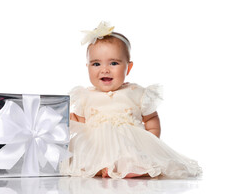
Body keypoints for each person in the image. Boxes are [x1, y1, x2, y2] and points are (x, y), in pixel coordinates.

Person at [60, 21, 202, 179]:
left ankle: (135, 168)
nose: (104, 69)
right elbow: (79, 122)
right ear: (87, 67)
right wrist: (63, 120)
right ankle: (101, 168)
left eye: (114, 63)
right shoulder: (85, 95)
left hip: (129, 142)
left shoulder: (136, 92)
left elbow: (151, 118)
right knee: (85, 156)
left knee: (132, 155)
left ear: (128, 67)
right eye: (96, 64)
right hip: (98, 146)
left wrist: (151, 142)